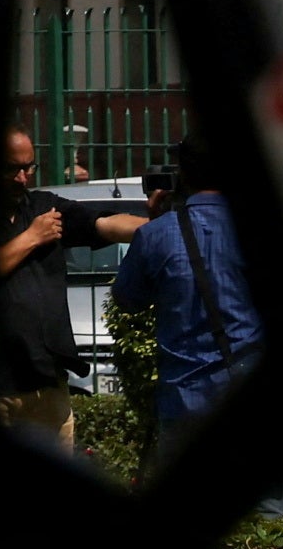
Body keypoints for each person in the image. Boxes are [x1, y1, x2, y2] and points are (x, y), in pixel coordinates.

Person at [0, 121, 142, 449]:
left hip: (47, 384)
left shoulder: (44, 207)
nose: (23, 178)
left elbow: (104, 224)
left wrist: (162, 226)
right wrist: (32, 237)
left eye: (29, 167)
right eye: (13, 169)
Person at [105, 148, 256, 443]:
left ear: (182, 176)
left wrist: (153, 223)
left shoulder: (156, 235)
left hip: (185, 401)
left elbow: (127, 299)